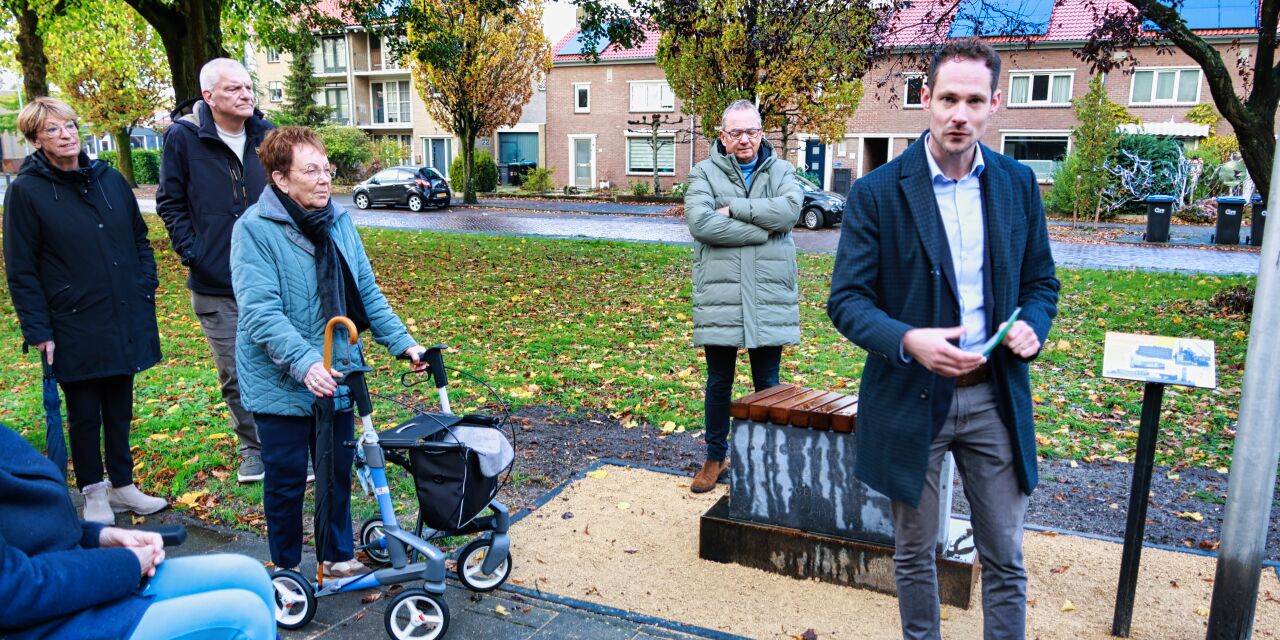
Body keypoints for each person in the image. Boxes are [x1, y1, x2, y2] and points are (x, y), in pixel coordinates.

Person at [827, 40, 1059, 639]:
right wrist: (908, 339)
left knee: (1005, 553)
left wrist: (1034, 322)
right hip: (910, 397)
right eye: (948, 98)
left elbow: (1041, 282)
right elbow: (846, 301)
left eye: (973, 100)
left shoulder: (1017, 184)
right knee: (914, 551)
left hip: (993, 396)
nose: (960, 113)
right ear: (925, 99)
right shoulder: (877, 192)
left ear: (994, 105)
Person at [231, 126, 427, 578]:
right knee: (285, 481)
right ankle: (284, 569)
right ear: (280, 179)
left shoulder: (339, 221)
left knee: (337, 472)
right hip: (280, 379)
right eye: (311, 170)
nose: (324, 179)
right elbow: (260, 313)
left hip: (337, 369)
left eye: (326, 169)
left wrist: (404, 343)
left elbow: (366, 294)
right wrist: (304, 365)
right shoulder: (254, 231)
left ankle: (336, 557)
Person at [3, 97, 167, 524]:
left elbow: (139, 239)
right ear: (35, 139)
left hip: (123, 311)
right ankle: (93, 491)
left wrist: (143, 283)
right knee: (83, 412)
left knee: (119, 405)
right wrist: (39, 330)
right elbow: (21, 269)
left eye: (71, 126)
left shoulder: (108, 179)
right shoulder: (26, 191)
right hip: (71, 320)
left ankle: (123, 485)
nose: (67, 135)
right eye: (54, 130)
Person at [0, 422, 275, 640]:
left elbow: (22, 526)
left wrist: (98, 537)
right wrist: (126, 564)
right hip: (46, 621)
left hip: (74, 585)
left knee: (248, 574)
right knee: (244, 617)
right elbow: (11, 589)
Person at [158, 58, 276, 483]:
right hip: (215, 281)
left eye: (248, 88)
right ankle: (254, 447)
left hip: (270, 277)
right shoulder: (183, 139)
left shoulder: (268, 136)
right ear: (209, 96)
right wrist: (194, 252)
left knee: (283, 360)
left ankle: (288, 442)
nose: (246, 95)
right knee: (234, 369)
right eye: (234, 90)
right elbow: (170, 202)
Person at [684, 99, 803, 494]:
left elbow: (788, 213)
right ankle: (715, 458)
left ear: (762, 132)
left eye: (751, 131)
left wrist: (733, 209)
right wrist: (760, 233)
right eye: (735, 133)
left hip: (768, 296)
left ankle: (763, 461)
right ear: (722, 136)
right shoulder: (702, 173)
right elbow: (700, 224)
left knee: (767, 384)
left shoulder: (783, 170)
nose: (744, 140)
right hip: (722, 296)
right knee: (719, 382)